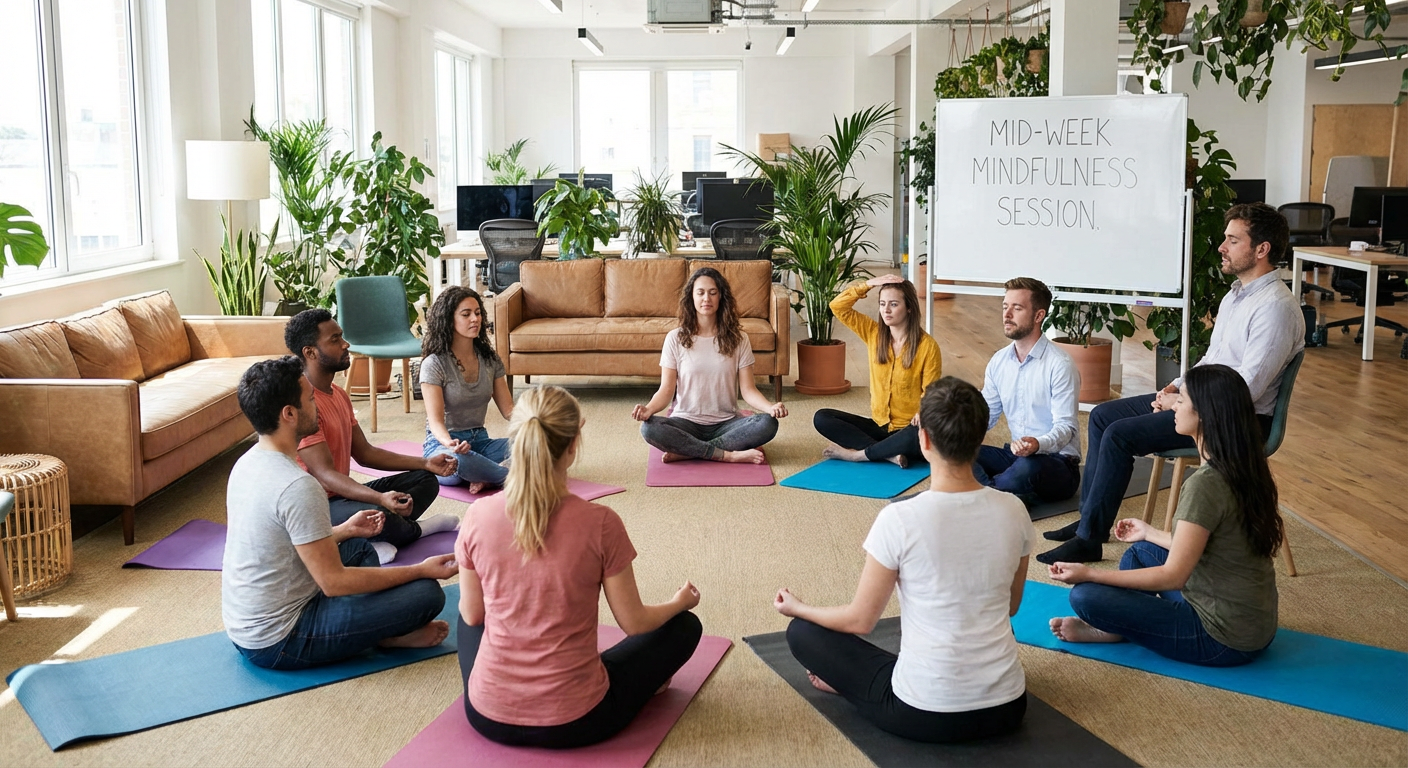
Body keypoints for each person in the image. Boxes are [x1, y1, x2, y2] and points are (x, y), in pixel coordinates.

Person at [1039, 203, 1304, 564]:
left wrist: (1182, 403)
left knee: (1120, 435)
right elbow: (1212, 361)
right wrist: (1176, 386)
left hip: (1238, 420)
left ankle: (1089, 539)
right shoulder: (1236, 296)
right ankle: (1091, 519)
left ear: (1262, 249)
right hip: (1204, 402)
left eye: (1232, 240)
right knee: (1102, 416)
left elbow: (1245, 388)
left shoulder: (1276, 307)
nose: (1222, 248)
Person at [774, 377, 1032, 744]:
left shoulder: (900, 518)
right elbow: (1010, 605)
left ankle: (854, 685)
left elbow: (860, 620)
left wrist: (799, 608)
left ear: (923, 440)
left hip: (924, 714)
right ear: (979, 440)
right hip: (1008, 707)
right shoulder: (1015, 509)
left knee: (803, 632)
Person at [455, 385, 703, 749]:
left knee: (468, 613)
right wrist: (680, 602)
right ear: (572, 446)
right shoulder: (600, 522)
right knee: (683, 627)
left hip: (487, 716)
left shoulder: (477, 515)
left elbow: (473, 616)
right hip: (578, 721)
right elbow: (634, 623)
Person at [222, 356, 458, 670]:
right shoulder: (297, 485)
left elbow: (283, 543)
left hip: (248, 622)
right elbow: (334, 582)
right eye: (309, 399)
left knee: (357, 546)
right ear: (289, 414)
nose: (317, 403)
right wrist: (421, 569)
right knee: (426, 594)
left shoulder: (248, 462)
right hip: (279, 638)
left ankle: (379, 629)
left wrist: (346, 529)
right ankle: (383, 635)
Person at [1047, 364, 1281, 666]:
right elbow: (1211, 545)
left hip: (1222, 639)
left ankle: (1118, 627)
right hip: (1255, 626)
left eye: (1181, 400)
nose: (1174, 405)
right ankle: (1120, 629)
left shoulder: (1205, 484)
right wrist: (1149, 532)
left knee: (1085, 596)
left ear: (1205, 415)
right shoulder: (1243, 466)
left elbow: (1174, 575)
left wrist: (1089, 573)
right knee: (1142, 551)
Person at [286, 309, 460, 564]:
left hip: (343, 496)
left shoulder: (339, 394)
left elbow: (365, 454)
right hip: (320, 508)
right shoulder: (303, 404)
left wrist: (424, 463)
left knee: (425, 481)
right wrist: (380, 499)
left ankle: (372, 537)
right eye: (335, 340)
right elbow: (326, 475)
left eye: (341, 337)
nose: (345, 344)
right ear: (310, 352)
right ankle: (417, 530)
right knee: (381, 512)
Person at [632, 267, 787, 464]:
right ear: (691, 297)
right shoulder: (675, 339)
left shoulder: (739, 339)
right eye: (701, 292)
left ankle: (690, 450)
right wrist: (648, 409)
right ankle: (727, 455)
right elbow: (666, 390)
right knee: (649, 428)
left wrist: (770, 407)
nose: (707, 298)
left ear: (721, 297)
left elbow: (748, 390)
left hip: (726, 422)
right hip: (685, 421)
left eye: (713, 293)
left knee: (767, 423)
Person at [813, 275, 942, 468]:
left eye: (893, 304)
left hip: (910, 429)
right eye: (882, 304)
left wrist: (922, 412)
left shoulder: (928, 346)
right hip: (880, 425)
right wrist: (868, 285)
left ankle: (858, 455)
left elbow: (931, 391)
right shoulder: (873, 333)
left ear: (909, 307)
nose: (886, 310)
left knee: (922, 437)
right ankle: (887, 454)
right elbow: (837, 306)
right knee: (822, 417)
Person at [974, 277, 1081, 506]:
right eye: (1005, 307)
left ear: (1038, 316)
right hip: (1016, 457)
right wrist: (954, 431)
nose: (1007, 314)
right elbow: (985, 416)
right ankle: (1002, 493)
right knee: (957, 454)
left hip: (1056, 463)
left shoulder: (1060, 364)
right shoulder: (998, 361)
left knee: (1027, 467)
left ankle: (985, 493)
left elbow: (1066, 429)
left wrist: (1038, 444)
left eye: (1017, 308)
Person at [420, 286, 514, 494]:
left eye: (478, 313)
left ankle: (488, 475)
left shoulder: (490, 360)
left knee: (538, 443)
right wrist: (450, 443)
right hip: (445, 446)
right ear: (448, 320)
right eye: (466, 314)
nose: (475, 319)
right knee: (455, 463)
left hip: (480, 442)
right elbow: (435, 422)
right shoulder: (434, 364)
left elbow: (509, 411)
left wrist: (542, 426)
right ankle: (511, 477)